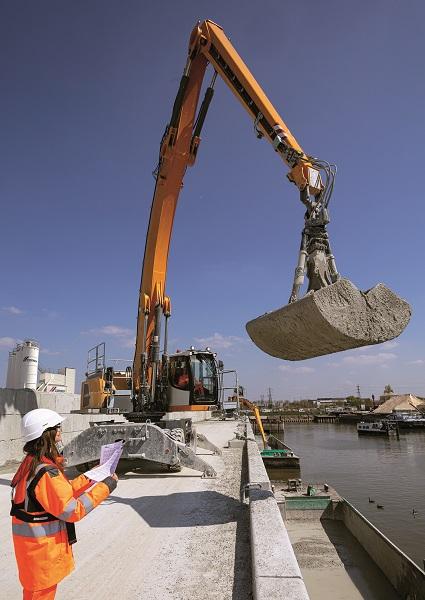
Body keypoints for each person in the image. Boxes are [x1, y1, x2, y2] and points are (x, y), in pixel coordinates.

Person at [10, 408, 118, 599]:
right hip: (43, 554)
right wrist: (106, 486)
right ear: (47, 434)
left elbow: (61, 492)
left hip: (35, 553)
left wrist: (91, 477)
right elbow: (72, 510)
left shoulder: (33, 464)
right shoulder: (46, 473)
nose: (60, 432)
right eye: (57, 427)